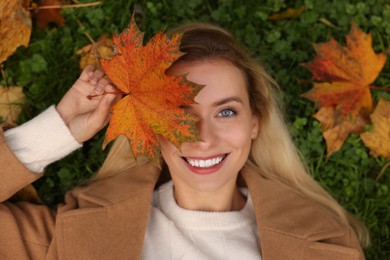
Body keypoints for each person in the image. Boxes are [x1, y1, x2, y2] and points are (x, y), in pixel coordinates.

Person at [0, 23, 368, 259]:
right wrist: (60, 128)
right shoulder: (71, 235)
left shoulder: (325, 246)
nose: (202, 137)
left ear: (255, 123)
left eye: (226, 112)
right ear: (150, 125)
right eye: (179, 113)